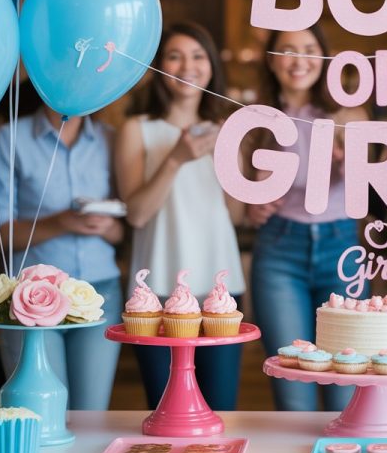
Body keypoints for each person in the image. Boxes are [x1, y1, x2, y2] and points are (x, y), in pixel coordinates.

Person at [114, 21, 245, 411]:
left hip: (221, 292)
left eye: (197, 55)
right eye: (174, 56)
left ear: (211, 66)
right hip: (155, 293)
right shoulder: (136, 130)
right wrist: (176, 158)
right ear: (159, 68)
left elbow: (234, 216)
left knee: (220, 408)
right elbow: (136, 215)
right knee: (165, 409)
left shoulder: (228, 131)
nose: (187, 65)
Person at [247, 25, 367, 411]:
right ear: (272, 59)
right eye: (288, 50)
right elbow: (240, 200)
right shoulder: (254, 120)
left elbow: (370, 189)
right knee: (293, 385)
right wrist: (252, 205)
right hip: (280, 249)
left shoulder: (349, 113)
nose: (299, 61)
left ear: (325, 56)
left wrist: (349, 160)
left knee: (344, 384)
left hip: (341, 244)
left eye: (309, 49)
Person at [0, 100, 124, 410]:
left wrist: (103, 225)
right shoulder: (10, 138)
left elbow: (121, 233)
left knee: (91, 414)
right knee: (39, 414)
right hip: (30, 298)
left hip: (100, 293)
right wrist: (60, 222)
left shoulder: (109, 138)